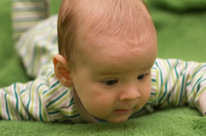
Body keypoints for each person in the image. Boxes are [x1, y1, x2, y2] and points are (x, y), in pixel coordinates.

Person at [1, 0, 205, 124]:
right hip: (38, 39)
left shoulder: (156, 79)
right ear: (66, 74)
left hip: (79, 40)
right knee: (27, 27)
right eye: (110, 82)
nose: (133, 94)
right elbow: (6, 101)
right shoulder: (49, 97)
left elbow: (193, 75)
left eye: (142, 75)